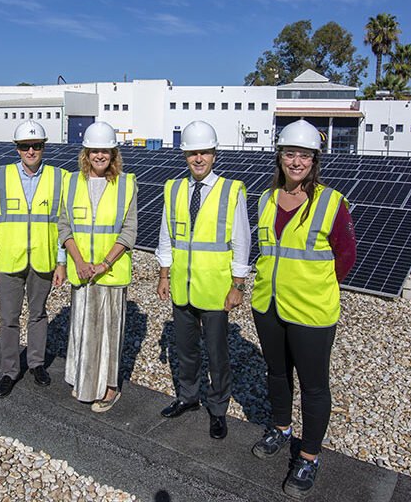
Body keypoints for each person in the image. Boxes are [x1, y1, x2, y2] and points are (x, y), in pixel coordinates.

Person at [249, 119, 357, 499]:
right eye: (290, 153)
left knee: (313, 386)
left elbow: (346, 255)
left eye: (304, 156)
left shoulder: (331, 202)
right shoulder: (264, 199)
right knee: (277, 373)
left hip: (312, 309)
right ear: (279, 156)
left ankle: (309, 455)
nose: (296, 162)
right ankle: (281, 427)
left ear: (315, 160)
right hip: (268, 303)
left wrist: (318, 286)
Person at [155, 120, 250, 440]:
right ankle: (188, 396)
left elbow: (242, 240)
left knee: (217, 352)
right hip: (182, 284)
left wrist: (238, 286)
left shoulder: (231, 190)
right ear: (184, 155)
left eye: (204, 153)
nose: (198, 158)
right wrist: (164, 273)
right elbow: (166, 235)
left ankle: (218, 408)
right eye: (192, 153)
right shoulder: (174, 188)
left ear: (214, 155)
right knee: (185, 348)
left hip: (215, 287)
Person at [0, 120, 67, 398]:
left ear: (44, 147)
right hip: (9, 260)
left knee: (38, 315)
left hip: (42, 259)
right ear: (17, 149)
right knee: (8, 318)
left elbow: (62, 225)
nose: (31, 151)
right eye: (25, 146)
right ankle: (9, 371)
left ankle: (36, 364)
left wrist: (61, 261)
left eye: (36, 146)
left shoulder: (58, 178)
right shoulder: (2, 177)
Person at [58, 121, 138, 413]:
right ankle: (84, 379)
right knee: (83, 327)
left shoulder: (126, 184)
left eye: (106, 150)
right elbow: (64, 226)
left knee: (109, 333)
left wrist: (104, 263)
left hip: (111, 272)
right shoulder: (70, 182)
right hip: (82, 271)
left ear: (113, 153)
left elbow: (129, 231)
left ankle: (109, 387)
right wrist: (78, 262)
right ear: (86, 153)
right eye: (95, 151)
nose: (100, 156)